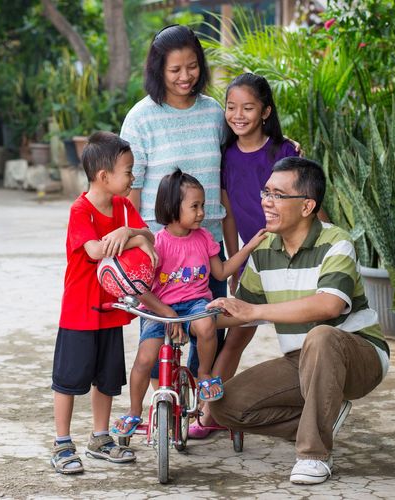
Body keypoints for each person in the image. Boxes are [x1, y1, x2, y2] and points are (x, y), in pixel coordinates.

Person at [207, 157, 390, 485]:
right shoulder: (263, 250)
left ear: (307, 206)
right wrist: (188, 318)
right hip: (300, 361)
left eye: (278, 195)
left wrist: (254, 312)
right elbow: (239, 310)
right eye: (266, 192)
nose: (266, 201)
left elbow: (329, 305)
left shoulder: (336, 242)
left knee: (321, 336)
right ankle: (322, 416)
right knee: (224, 406)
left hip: (358, 355)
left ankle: (313, 453)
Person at [111, 169, 266, 436]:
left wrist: (249, 246)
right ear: (172, 206)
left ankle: (205, 374)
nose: (202, 212)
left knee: (206, 326)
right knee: (144, 359)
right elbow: (140, 289)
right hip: (160, 308)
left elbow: (220, 273)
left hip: (196, 303)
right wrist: (167, 313)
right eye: (194, 206)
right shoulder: (156, 243)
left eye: (203, 205)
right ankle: (134, 412)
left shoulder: (205, 238)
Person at [190, 72, 301, 438]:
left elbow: (307, 207)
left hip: (293, 256)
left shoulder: (284, 152)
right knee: (237, 336)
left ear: (266, 111)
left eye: (248, 107)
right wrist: (234, 263)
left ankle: (315, 402)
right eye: (231, 107)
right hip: (254, 259)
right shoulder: (225, 156)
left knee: (305, 334)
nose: (238, 115)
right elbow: (229, 215)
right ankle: (209, 412)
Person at [120, 24, 227, 383]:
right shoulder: (141, 118)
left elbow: (235, 162)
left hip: (207, 246)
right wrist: (137, 241)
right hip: (159, 250)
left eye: (192, 66)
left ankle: (200, 406)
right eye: (175, 70)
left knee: (209, 329)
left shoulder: (214, 112)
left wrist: (281, 143)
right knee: (157, 339)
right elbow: (130, 191)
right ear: (157, 70)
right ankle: (163, 409)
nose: (186, 76)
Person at [50, 131, 157, 475]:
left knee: (108, 379)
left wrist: (129, 233)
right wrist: (133, 241)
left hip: (113, 309)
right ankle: (62, 443)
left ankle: (100, 438)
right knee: (69, 379)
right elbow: (96, 251)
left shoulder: (125, 207)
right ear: (103, 176)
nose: (133, 177)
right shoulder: (80, 209)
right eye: (128, 171)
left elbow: (149, 237)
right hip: (79, 312)